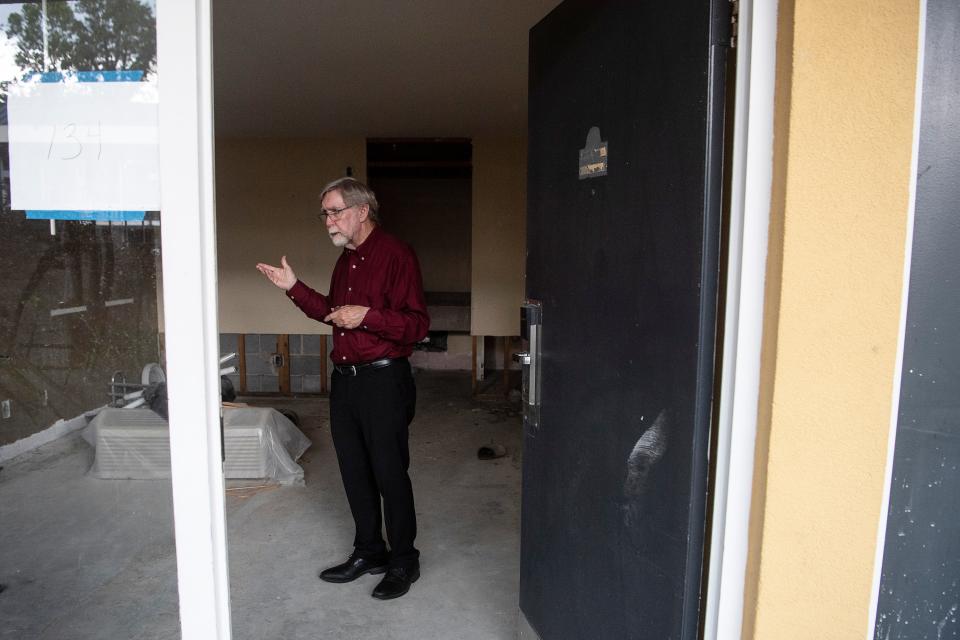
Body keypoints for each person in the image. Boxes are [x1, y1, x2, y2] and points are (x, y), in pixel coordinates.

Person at [256, 177, 429, 600]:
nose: (328, 221)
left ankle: (404, 560)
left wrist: (368, 316)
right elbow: (336, 314)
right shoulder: (346, 261)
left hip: (385, 380)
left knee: (390, 474)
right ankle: (369, 551)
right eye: (325, 213)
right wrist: (293, 288)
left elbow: (417, 325)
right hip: (346, 383)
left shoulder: (396, 255)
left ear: (361, 211)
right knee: (354, 472)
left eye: (334, 211)